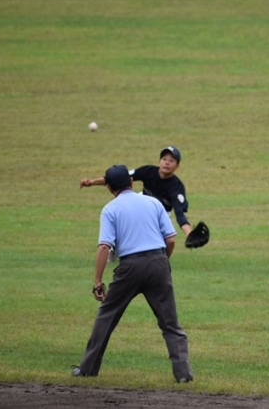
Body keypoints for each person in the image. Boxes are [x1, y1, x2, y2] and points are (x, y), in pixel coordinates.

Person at [71, 164, 193, 383]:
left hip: (129, 267)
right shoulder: (153, 202)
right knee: (170, 322)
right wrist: (162, 262)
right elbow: (171, 239)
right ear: (130, 182)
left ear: (109, 188)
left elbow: (104, 246)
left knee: (107, 316)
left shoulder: (110, 209)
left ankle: (87, 369)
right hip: (158, 262)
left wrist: (97, 281)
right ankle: (183, 375)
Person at [80, 146, 193, 238]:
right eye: (164, 159)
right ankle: (113, 243)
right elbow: (117, 178)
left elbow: (180, 214)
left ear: (177, 166)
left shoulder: (176, 187)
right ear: (159, 161)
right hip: (141, 204)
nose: (167, 163)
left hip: (159, 215)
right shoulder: (148, 171)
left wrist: (190, 234)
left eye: (171, 161)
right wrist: (92, 182)